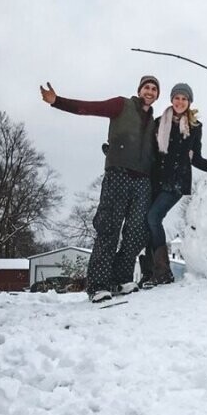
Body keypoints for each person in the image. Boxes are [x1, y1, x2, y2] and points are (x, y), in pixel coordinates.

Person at [40, 76, 160, 303]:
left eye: (154, 89)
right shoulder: (122, 105)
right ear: (140, 90)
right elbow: (90, 107)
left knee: (136, 233)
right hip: (118, 175)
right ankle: (98, 285)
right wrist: (58, 101)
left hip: (142, 180)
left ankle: (121, 278)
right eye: (147, 87)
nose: (150, 91)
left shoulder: (155, 123)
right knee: (108, 228)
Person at [142, 83, 207, 286]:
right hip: (155, 179)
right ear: (172, 99)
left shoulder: (194, 127)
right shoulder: (159, 123)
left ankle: (163, 272)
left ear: (189, 102)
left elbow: (196, 158)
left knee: (153, 217)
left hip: (176, 182)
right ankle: (149, 273)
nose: (180, 102)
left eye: (184, 99)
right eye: (177, 98)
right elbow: (148, 151)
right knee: (146, 223)